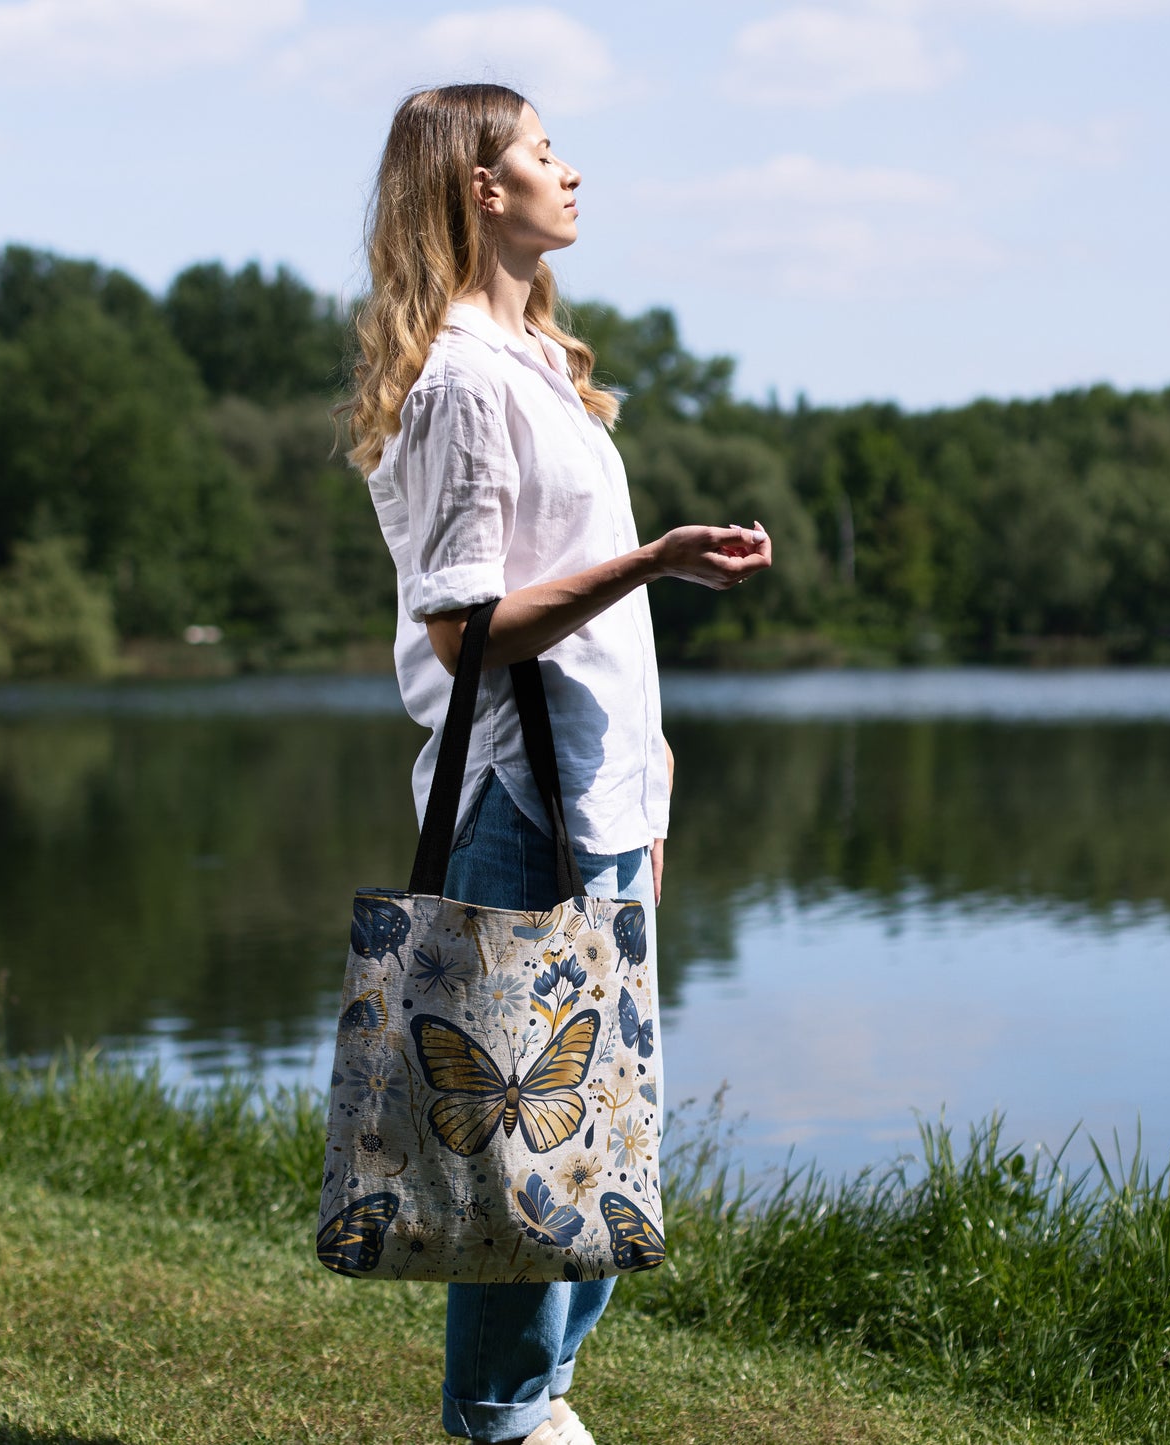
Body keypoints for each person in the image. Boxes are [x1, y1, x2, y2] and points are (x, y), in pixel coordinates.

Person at [341, 83, 772, 1445]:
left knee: (590, 1139)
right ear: (479, 185)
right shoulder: (464, 380)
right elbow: (467, 629)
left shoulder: (534, 364)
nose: (567, 171)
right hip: (521, 807)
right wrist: (647, 559)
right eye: (540, 152)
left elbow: (591, 642)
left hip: (593, 802)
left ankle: (528, 1404)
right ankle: (504, 1413)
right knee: (529, 1143)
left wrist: (644, 787)